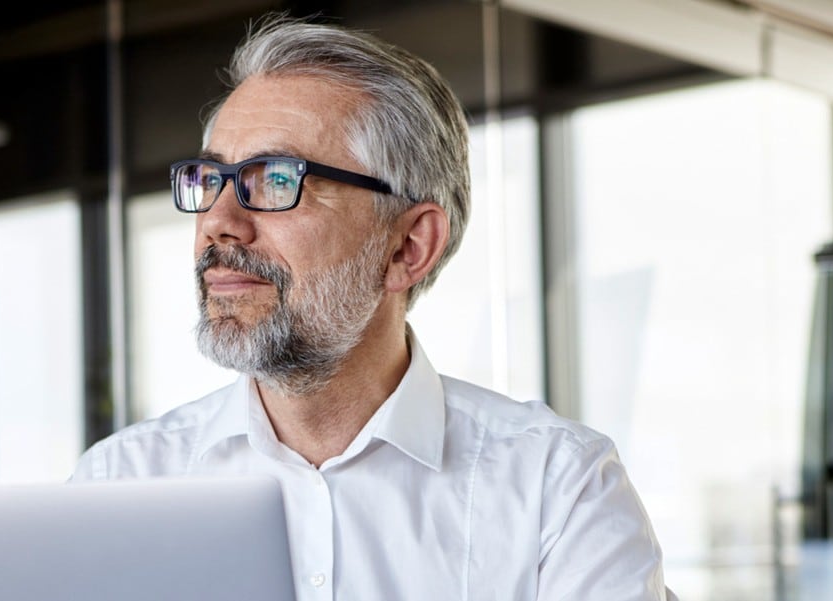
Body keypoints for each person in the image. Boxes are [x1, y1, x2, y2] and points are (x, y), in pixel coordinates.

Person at [71, 15, 675, 601]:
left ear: (408, 247)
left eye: (277, 180)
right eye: (211, 179)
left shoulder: (559, 491)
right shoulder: (118, 483)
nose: (218, 225)